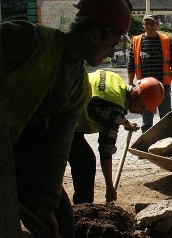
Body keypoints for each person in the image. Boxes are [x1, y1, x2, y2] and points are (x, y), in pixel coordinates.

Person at [0, 0, 132, 238]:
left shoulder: (77, 83)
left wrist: (45, 201)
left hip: (21, 150)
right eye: (114, 41)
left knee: (57, 213)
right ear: (95, 35)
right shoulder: (24, 41)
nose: (113, 50)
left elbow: (58, 145)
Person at [69, 70, 164, 205]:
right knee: (85, 163)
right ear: (135, 94)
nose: (142, 111)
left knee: (85, 159)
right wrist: (109, 187)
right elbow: (106, 151)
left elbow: (113, 105)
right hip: (59, 117)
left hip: (69, 103)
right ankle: (83, 209)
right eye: (142, 106)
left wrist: (126, 122)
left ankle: (82, 205)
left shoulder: (117, 82)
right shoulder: (114, 110)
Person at [127, 14, 172, 133]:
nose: (149, 26)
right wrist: (130, 82)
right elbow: (131, 64)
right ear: (143, 25)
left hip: (163, 87)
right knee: (146, 119)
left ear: (157, 25)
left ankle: (167, 141)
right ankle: (146, 141)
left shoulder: (165, 41)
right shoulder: (136, 41)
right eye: (146, 24)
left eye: (152, 24)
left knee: (165, 117)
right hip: (144, 88)